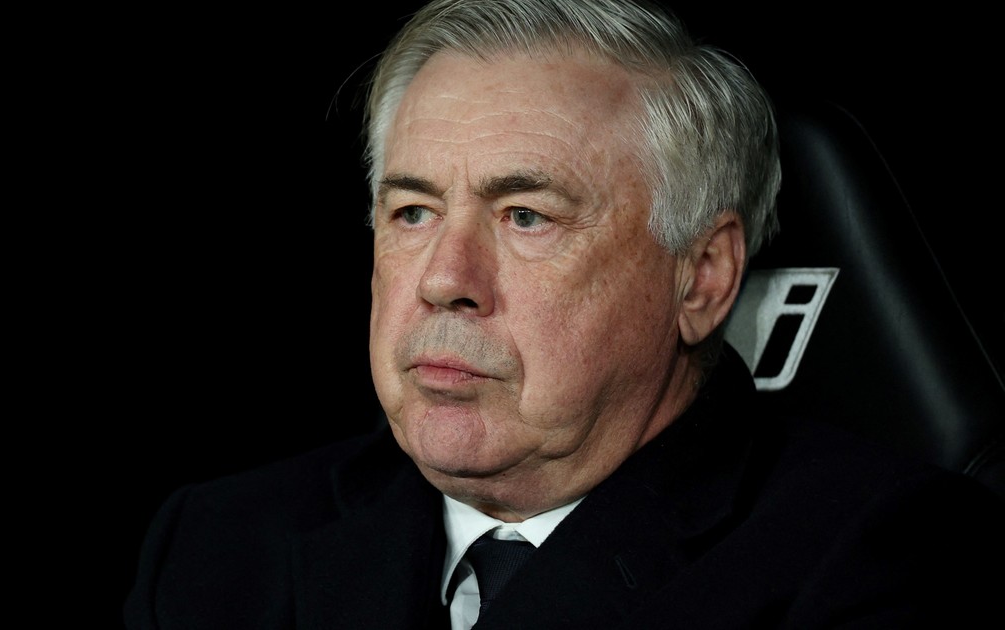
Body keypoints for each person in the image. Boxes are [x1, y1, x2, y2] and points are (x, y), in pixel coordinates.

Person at [124, 0, 1005, 627]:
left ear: (701, 278)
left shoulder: (887, 561)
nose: (444, 279)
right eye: (413, 212)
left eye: (526, 217)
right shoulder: (217, 545)